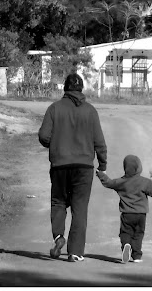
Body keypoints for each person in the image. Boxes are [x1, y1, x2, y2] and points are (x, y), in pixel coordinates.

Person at [38, 72, 107, 262]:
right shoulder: (91, 111)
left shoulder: (54, 108)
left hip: (60, 165)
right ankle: (75, 252)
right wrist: (103, 164)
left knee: (58, 202)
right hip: (84, 167)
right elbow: (99, 141)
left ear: (65, 88)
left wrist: (56, 144)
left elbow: (44, 136)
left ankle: (59, 236)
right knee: (80, 208)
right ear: (81, 89)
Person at [96, 155, 152, 264]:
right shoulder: (144, 182)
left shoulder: (122, 181)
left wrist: (101, 174)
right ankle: (137, 256)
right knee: (138, 234)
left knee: (125, 232)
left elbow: (108, 183)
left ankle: (126, 245)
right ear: (139, 168)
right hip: (141, 214)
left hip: (127, 213)